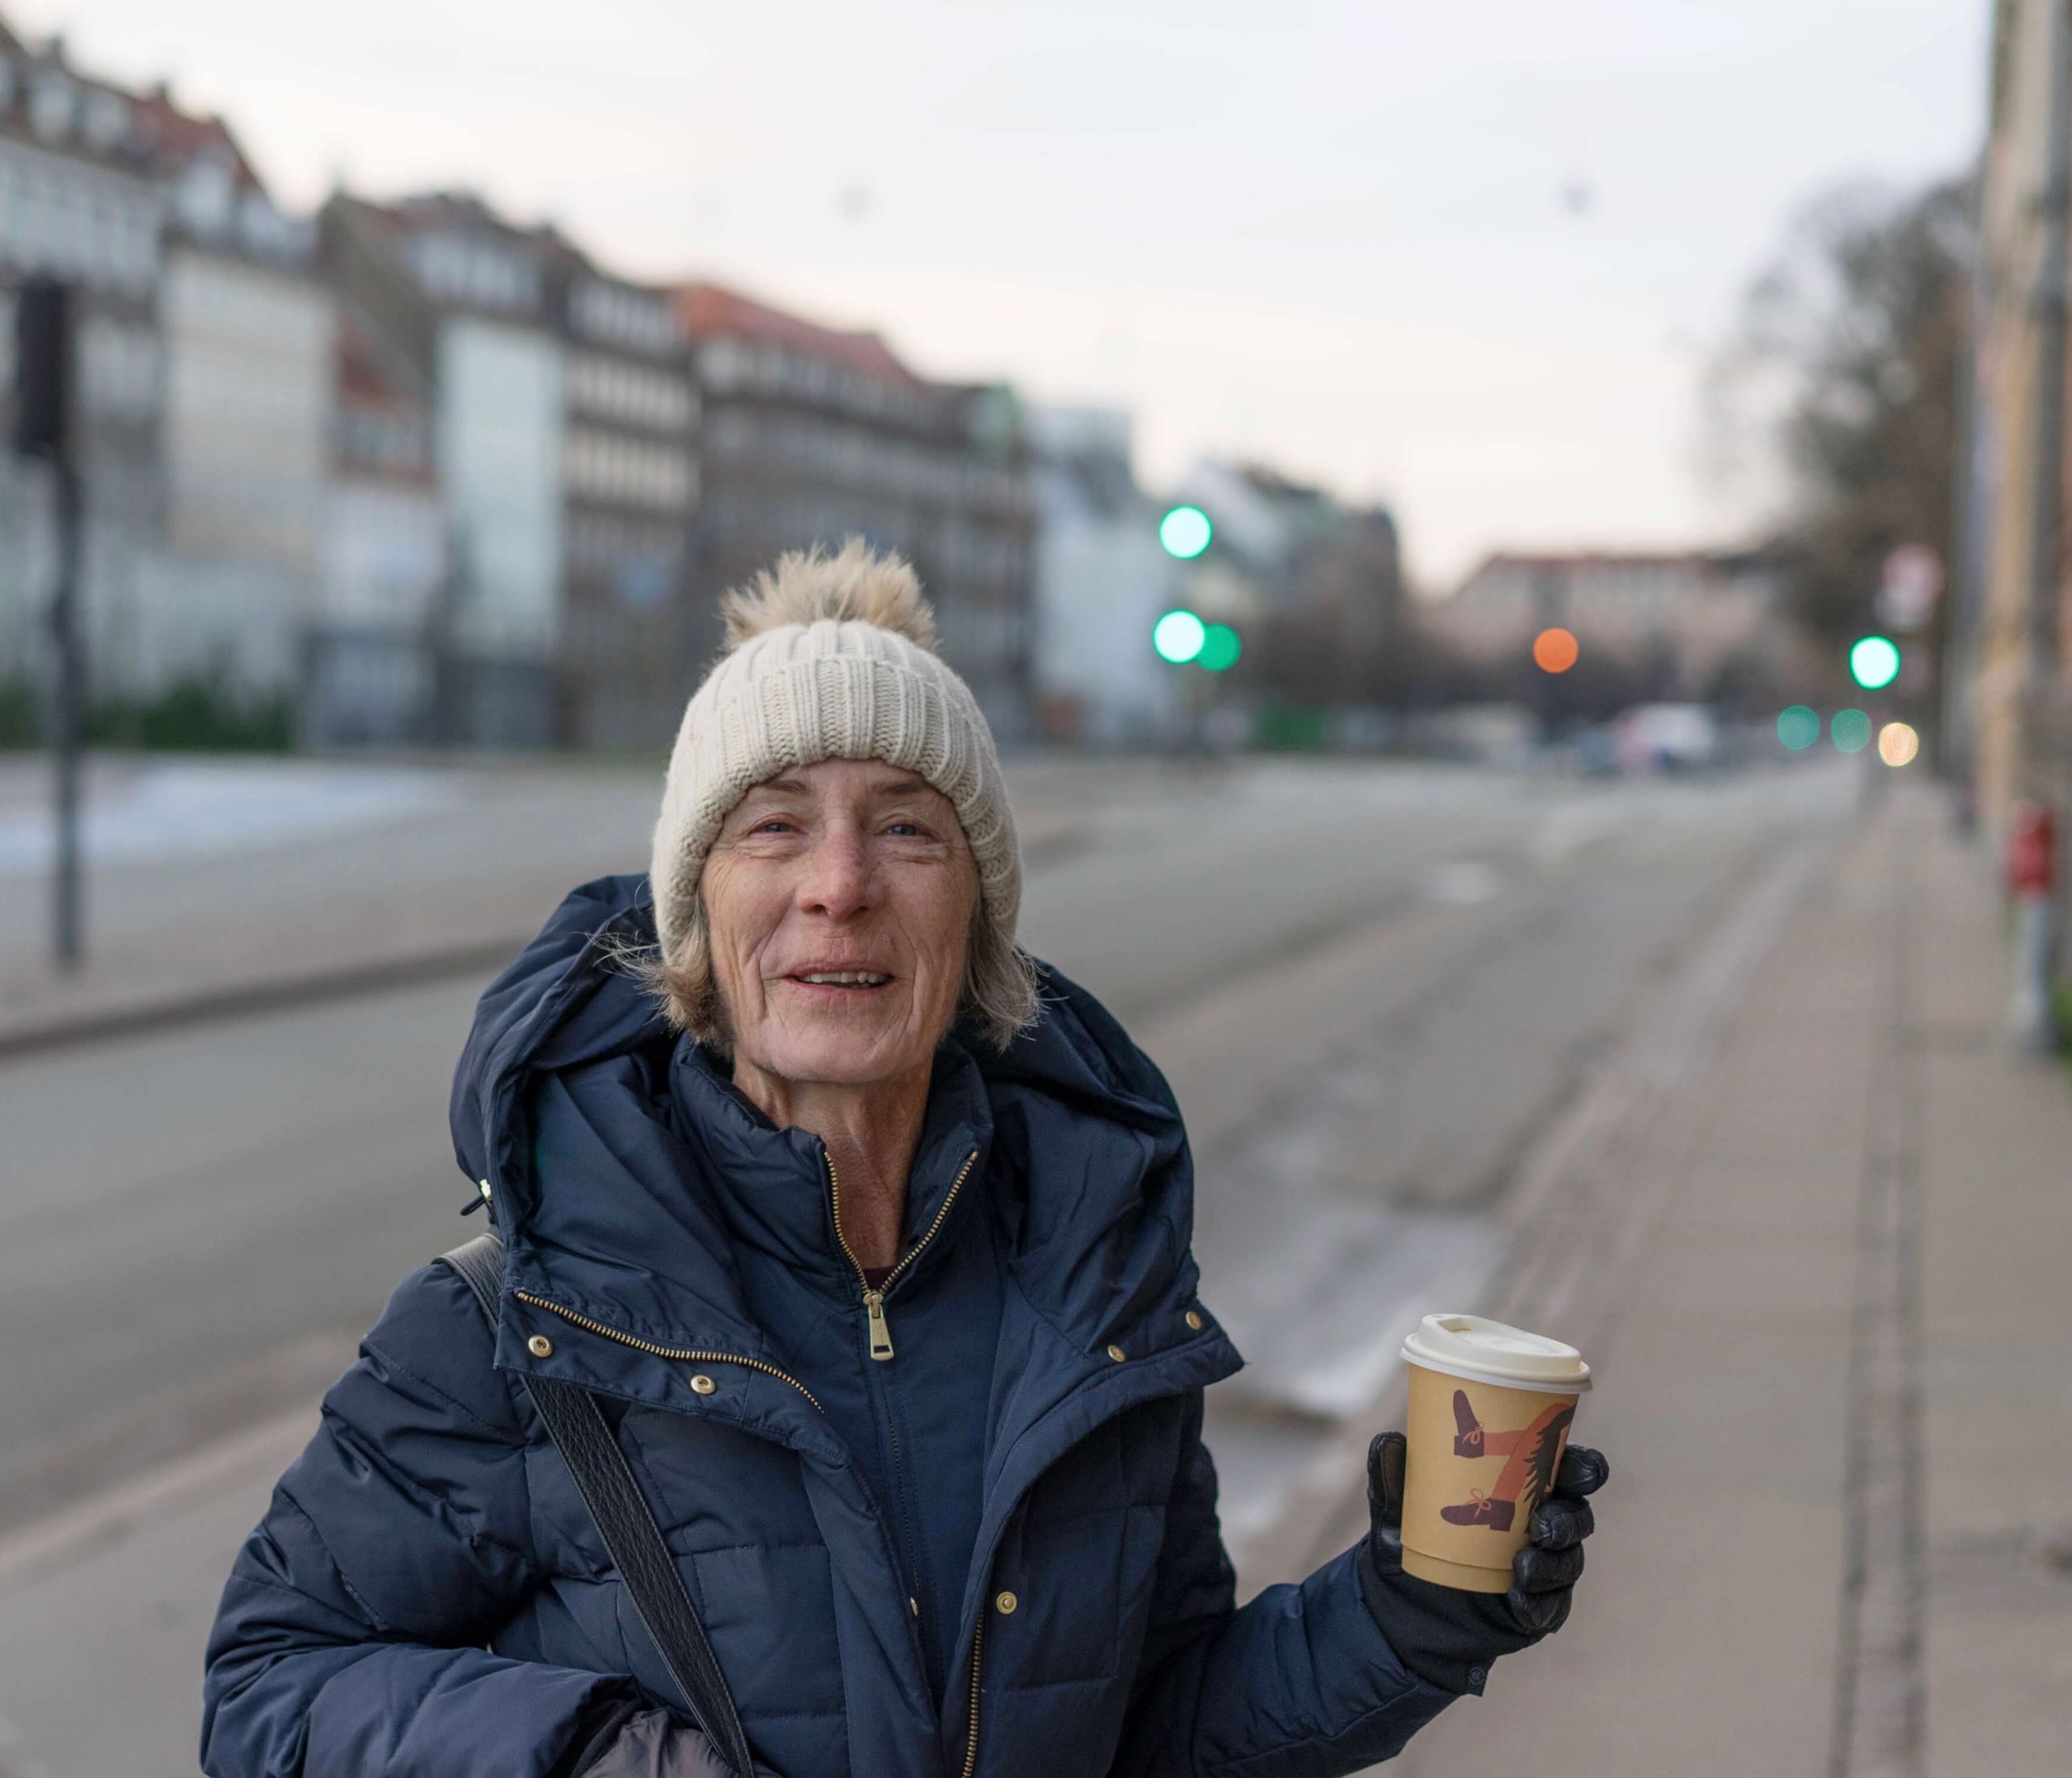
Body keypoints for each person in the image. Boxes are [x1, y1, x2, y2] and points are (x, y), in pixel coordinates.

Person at [201, 542, 1608, 1778]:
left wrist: (1407, 1611)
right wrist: (591, 1756)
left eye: (904, 827)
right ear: (699, 915)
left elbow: (1156, 1728)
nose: (839, 883)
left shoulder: (1092, 1291)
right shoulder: (513, 1317)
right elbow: (269, 1685)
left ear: (977, 917)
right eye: (772, 826)